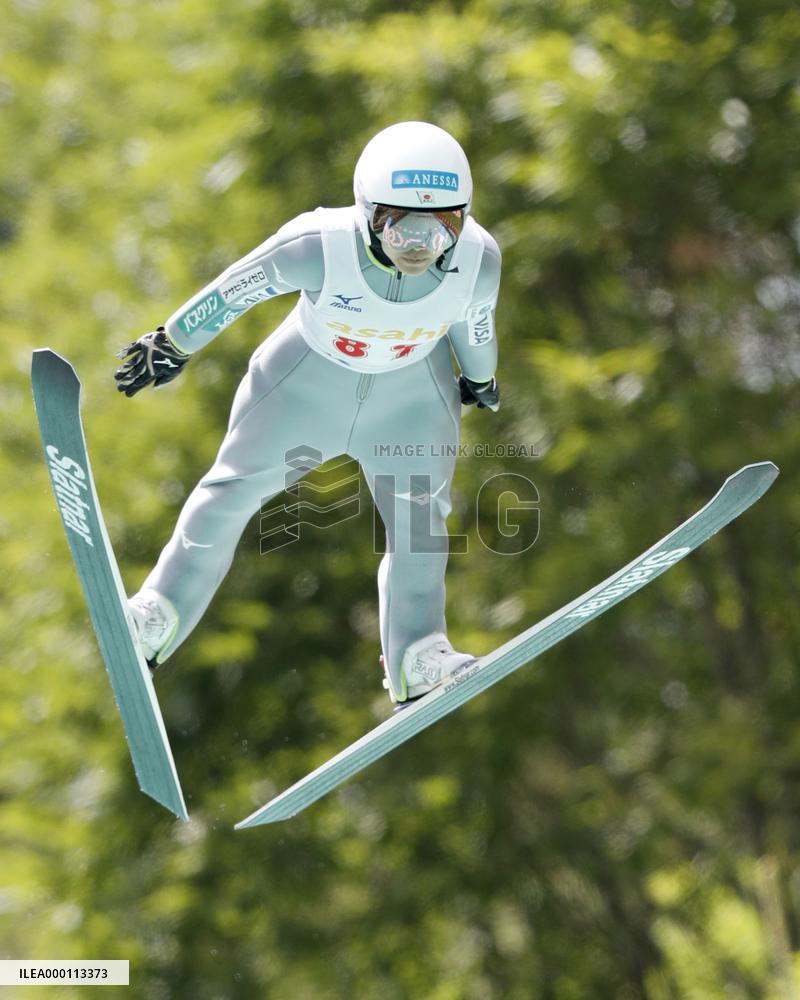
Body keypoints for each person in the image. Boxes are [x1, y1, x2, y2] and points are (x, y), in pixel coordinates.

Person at [114, 121, 501, 706]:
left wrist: (479, 375)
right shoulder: (318, 242)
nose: (421, 245)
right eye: (399, 223)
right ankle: (157, 611)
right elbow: (235, 288)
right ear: (366, 210)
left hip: (411, 400)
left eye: (442, 224)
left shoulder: (479, 259)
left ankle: (418, 654)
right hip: (304, 387)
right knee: (231, 490)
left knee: (421, 521)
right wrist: (172, 341)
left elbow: (476, 323)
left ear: (464, 216)